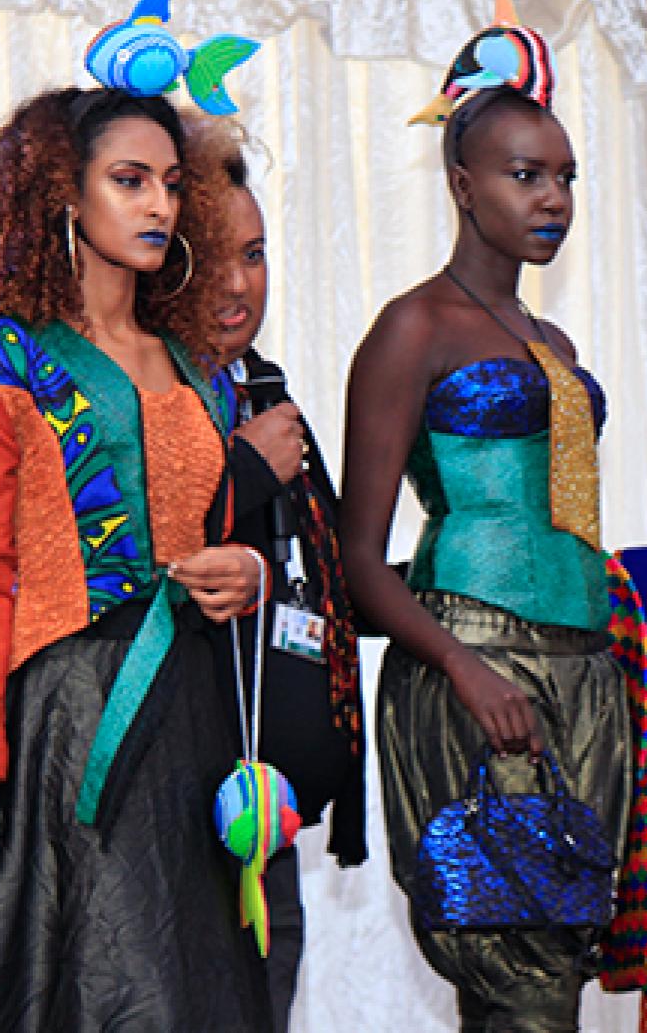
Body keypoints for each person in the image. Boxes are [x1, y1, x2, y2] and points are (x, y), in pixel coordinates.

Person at [0, 80, 272, 1029]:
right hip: (72, 723)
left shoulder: (203, 369)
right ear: (63, 194)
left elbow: (222, 535)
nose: (159, 204)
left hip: (196, 713)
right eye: (129, 180)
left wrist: (245, 575)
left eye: (171, 182)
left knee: (196, 991)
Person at [338, 0, 631, 1030]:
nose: (553, 198)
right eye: (525, 175)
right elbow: (355, 562)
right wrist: (466, 670)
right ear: (463, 184)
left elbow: (572, 530)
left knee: (553, 975)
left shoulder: (554, 342)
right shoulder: (413, 328)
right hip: (475, 666)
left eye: (565, 178)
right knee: (518, 982)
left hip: (585, 677)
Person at [198, 121, 367, 1032]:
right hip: (173, 802)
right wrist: (248, 473)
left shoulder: (266, 392)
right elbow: (135, 565)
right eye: (213, 257)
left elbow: (329, 578)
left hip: (266, 810)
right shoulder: (144, 399)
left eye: (255, 254)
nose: (239, 284)